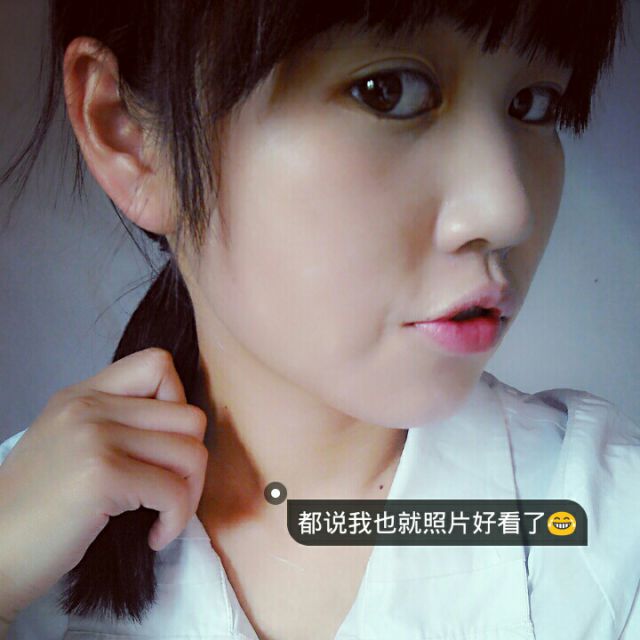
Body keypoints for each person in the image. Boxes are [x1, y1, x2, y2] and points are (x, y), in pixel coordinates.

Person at [0, 1, 637, 639]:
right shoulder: (23, 540)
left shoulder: (612, 538)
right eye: (387, 92)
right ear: (130, 137)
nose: (508, 210)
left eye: (533, 104)